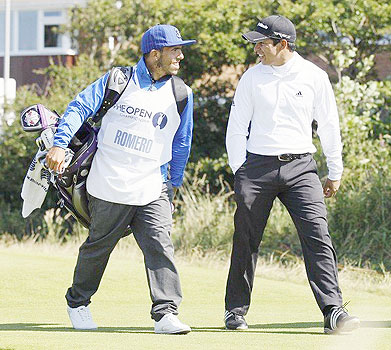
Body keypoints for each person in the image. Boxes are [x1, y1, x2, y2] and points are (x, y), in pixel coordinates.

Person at [45, 24, 196, 334]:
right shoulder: (118, 80)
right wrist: (60, 144)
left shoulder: (181, 92)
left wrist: (174, 184)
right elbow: (79, 107)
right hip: (109, 183)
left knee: (159, 245)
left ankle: (166, 312)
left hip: (153, 186)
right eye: (174, 50)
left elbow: (182, 140)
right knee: (99, 247)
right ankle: (78, 302)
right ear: (155, 54)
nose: (181, 55)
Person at [224, 15, 360, 334]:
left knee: (317, 236)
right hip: (256, 167)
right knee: (246, 238)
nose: (256, 48)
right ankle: (235, 310)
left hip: (302, 168)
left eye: (262, 43)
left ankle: (333, 311)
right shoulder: (251, 78)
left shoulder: (314, 76)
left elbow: (329, 126)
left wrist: (335, 171)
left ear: (282, 45)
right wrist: (239, 170)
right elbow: (236, 128)